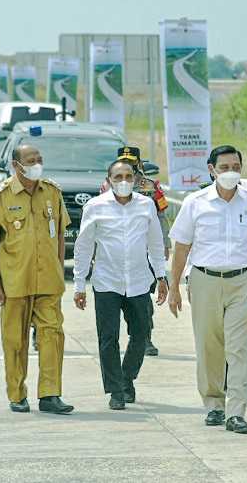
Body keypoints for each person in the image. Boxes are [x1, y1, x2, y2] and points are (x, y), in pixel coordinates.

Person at [168, 144, 247, 434]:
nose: (231, 173)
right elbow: (181, 247)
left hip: (243, 281)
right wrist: (174, 286)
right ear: (212, 170)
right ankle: (213, 404)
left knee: (239, 349)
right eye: (225, 168)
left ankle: (236, 412)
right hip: (204, 280)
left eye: (236, 167)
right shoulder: (195, 202)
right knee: (209, 346)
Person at [0, 143, 74, 415]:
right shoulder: (0, 195)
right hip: (14, 283)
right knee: (15, 341)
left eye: (39, 158)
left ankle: (50, 394)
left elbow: (60, 236)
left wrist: (58, 269)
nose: (36, 163)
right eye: (30, 160)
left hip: (48, 282)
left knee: (52, 336)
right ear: (16, 166)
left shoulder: (52, 192)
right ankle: (17, 394)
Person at [73, 160, 169, 410]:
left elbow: (156, 244)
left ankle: (127, 378)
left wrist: (161, 276)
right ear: (108, 180)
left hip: (138, 281)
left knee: (141, 334)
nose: (123, 181)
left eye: (128, 176)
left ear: (136, 179)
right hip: (107, 281)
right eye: (118, 177)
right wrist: (79, 284)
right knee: (108, 338)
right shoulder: (95, 207)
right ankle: (116, 390)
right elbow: (84, 247)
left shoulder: (146, 205)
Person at [100, 146, 172, 357]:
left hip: (144, 249)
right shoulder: (106, 186)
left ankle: (144, 337)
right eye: (124, 161)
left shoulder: (150, 187)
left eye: (132, 162)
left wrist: (165, 243)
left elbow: (161, 217)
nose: (128, 166)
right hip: (115, 250)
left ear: (139, 164)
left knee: (142, 296)